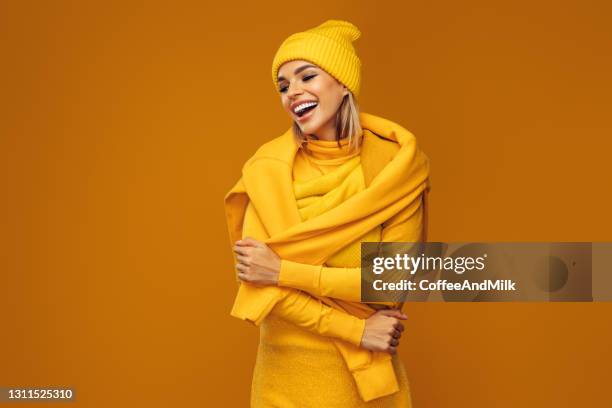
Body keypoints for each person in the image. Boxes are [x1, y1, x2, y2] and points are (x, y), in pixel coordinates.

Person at [224, 19, 431, 407]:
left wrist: (284, 271)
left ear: (342, 82)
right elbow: (260, 285)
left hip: (365, 388)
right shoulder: (266, 170)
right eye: (283, 86)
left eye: (307, 77)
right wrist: (357, 330)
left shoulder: (395, 170)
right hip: (283, 381)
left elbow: (390, 283)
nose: (292, 93)